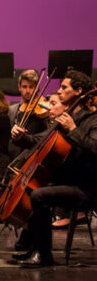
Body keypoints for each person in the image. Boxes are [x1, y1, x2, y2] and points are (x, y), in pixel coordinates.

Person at [13, 70, 96, 268]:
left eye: (64, 88)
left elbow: (95, 148)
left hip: (87, 186)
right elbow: (43, 141)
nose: (59, 91)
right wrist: (21, 137)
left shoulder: (92, 120)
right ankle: (34, 247)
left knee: (39, 196)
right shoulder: (66, 117)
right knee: (34, 188)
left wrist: (73, 130)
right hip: (69, 180)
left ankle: (45, 255)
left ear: (78, 91)